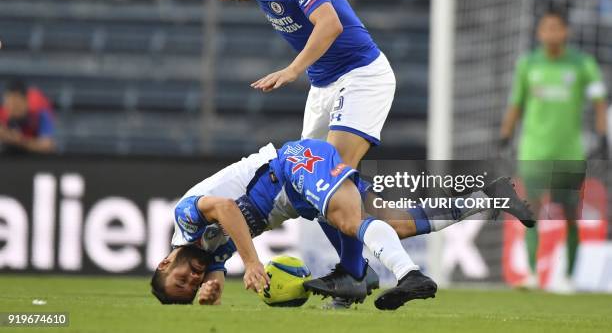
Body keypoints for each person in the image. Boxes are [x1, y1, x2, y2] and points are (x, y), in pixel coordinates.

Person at [176, 0, 396, 307]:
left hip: (361, 76)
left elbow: (330, 25)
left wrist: (293, 69)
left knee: (330, 177)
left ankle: (354, 275)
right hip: (324, 85)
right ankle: (357, 266)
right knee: (311, 187)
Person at [153, 138, 535, 307]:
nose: (194, 278)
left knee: (355, 222)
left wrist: (252, 262)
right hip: (302, 198)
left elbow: (226, 209)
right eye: (192, 285)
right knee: (397, 225)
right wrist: (211, 291)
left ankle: (409, 274)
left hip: (292, 166)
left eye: (182, 279)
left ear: (166, 262)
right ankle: (494, 196)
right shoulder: (207, 256)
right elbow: (215, 268)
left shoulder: (184, 220)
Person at [500, 9, 608, 293]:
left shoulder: (582, 63)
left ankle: (568, 277)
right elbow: (516, 103)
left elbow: (599, 100)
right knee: (531, 212)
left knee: (570, 214)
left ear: (566, 32)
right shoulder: (528, 64)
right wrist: (506, 134)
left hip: (569, 151)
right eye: (546, 28)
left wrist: (601, 133)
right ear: (539, 32)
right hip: (534, 149)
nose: (551, 33)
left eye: (556, 28)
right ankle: (534, 275)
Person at [0, 79, 56, 154]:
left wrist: (19, 141)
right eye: (8, 104)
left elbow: (48, 146)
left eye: (16, 104)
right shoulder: (3, 113)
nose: (11, 109)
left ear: (25, 101)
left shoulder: (39, 112)